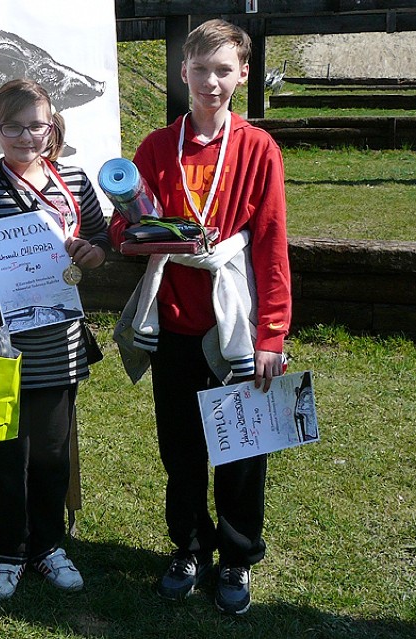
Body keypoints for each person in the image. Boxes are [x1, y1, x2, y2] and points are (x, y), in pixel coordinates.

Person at [109, 20, 291, 615]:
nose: (211, 81)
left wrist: (271, 332)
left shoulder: (259, 148)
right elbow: (121, 232)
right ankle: (187, 546)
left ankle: (236, 554)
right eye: (199, 69)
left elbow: (268, 244)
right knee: (181, 449)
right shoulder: (157, 147)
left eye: (223, 70)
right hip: (174, 324)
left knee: (241, 448)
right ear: (182, 72)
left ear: (242, 74)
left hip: (234, 323)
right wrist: (150, 235)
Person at [0, 79, 109, 600]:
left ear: (52, 125)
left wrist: (92, 253)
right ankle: (8, 550)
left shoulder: (76, 181)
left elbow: (99, 241)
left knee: (54, 453)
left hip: (60, 339)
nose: (26, 136)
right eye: (14, 127)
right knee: (8, 453)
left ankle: (49, 547)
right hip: (2, 341)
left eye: (36, 125)